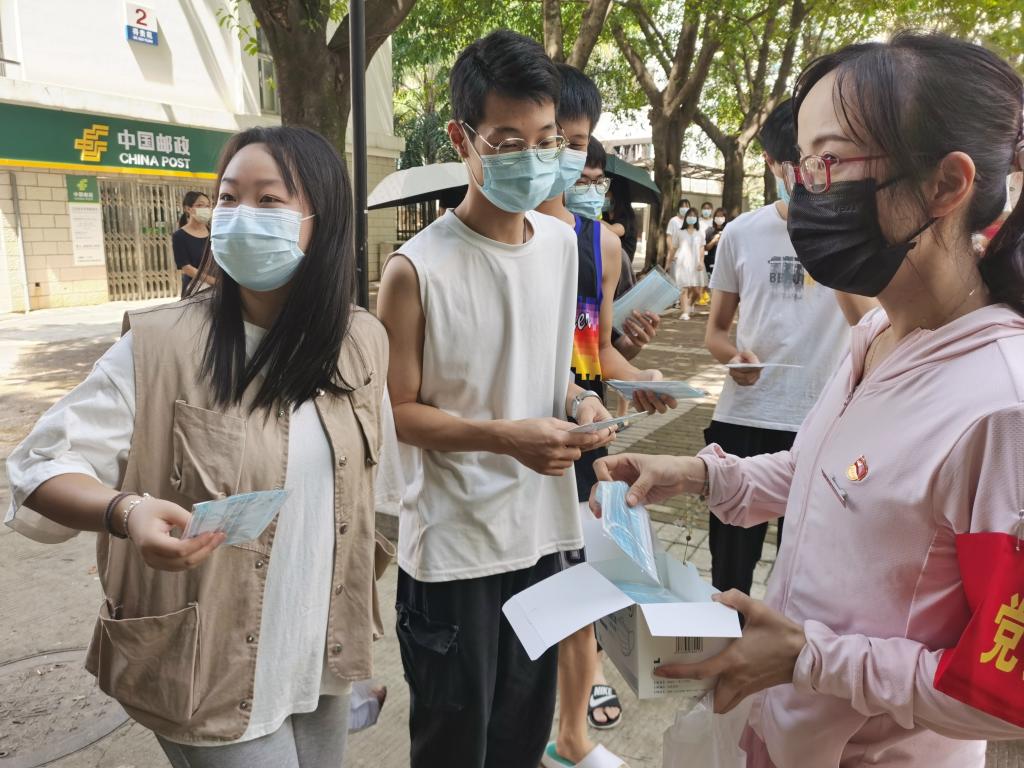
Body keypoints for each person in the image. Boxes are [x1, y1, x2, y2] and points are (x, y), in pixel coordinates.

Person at [593, 32, 1024, 766]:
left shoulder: (999, 408)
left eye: (830, 163)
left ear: (946, 186)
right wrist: (699, 475)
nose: (804, 191)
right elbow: (818, 475)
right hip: (786, 733)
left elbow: (1001, 688)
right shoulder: (878, 333)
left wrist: (807, 658)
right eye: (800, 165)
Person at [5, 125, 401, 767]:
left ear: (321, 220)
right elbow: (39, 465)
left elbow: (378, 485)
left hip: (321, 649)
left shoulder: (360, 340)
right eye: (228, 197)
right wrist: (127, 512)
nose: (241, 215)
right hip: (208, 666)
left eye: (269, 200)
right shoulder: (160, 345)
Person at [377, 31, 616, 768]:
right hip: (453, 553)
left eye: (546, 140)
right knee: (454, 748)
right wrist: (505, 437)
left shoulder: (560, 244)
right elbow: (399, 412)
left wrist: (580, 405)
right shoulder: (415, 269)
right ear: (463, 139)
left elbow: (549, 369)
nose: (534, 158)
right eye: (509, 142)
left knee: (519, 739)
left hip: (541, 539)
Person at [540, 73, 676, 765]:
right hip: (508, 439)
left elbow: (591, 349)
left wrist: (639, 378)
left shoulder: (602, 246)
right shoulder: (495, 233)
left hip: (582, 434)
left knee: (583, 577)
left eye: (579, 144)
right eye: (554, 141)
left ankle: (572, 733)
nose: (569, 160)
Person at [700, 99, 874, 598]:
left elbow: (870, 326)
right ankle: (726, 646)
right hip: (747, 416)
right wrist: (733, 358)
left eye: (819, 161)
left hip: (825, 420)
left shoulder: (854, 236)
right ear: (773, 164)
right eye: (794, 164)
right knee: (729, 576)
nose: (806, 176)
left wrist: (828, 240)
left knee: (809, 576)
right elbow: (716, 332)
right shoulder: (741, 234)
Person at [172, 191, 214, 297]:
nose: (205, 209)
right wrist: (211, 280)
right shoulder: (179, 236)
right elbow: (186, 267)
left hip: (217, 287)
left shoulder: (213, 232)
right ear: (188, 209)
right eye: (200, 205)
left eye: (207, 206)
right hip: (194, 288)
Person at [668, 206, 704, 320]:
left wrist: (701, 262)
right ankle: (684, 312)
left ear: (697, 218)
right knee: (683, 288)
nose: (691, 217)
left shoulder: (700, 233)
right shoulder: (680, 232)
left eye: (694, 215)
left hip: (696, 265)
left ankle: (689, 304)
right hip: (682, 263)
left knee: (697, 292)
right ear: (686, 217)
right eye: (689, 215)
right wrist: (668, 262)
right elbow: (673, 248)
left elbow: (701, 248)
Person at [602, 175, 638, 290]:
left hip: (622, 271)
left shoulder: (627, 216)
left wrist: (593, 219)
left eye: (606, 193)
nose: (602, 196)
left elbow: (615, 230)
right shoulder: (605, 215)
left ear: (616, 194)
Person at [664, 197, 691, 264]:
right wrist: (671, 251)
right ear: (679, 208)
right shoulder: (673, 221)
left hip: (687, 254)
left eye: (686, 206)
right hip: (674, 253)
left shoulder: (690, 222)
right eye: (682, 206)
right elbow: (669, 237)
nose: (684, 208)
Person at [704, 207, 727, 275]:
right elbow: (706, 248)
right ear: (714, 218)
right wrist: (714, 240)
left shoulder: (728, 230)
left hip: (724, 261)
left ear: (725, 218)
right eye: (717, 216)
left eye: (721, 216)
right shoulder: (710, 230)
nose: (719, 218)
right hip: (712, 261)